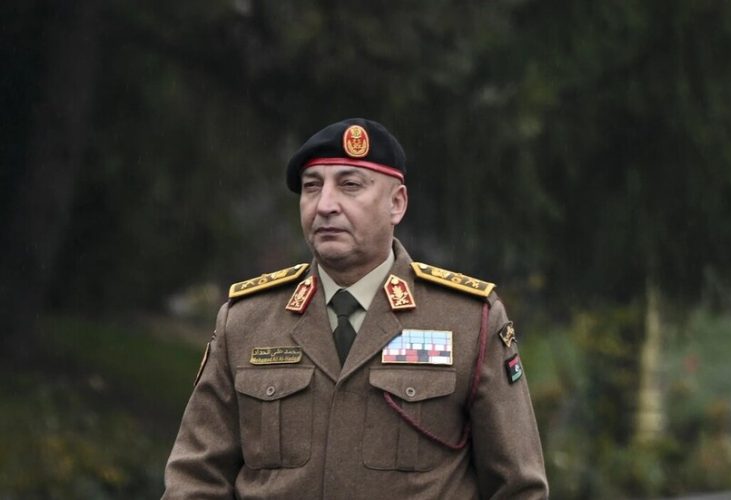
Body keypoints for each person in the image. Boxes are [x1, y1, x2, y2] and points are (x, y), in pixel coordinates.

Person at [162, 118, 549, 499]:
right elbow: (195, 479)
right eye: (312, 187)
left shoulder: (467, 320)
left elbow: (518, 487)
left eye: (350, 185)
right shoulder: (247, 321)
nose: (325, 205)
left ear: (396, 203)